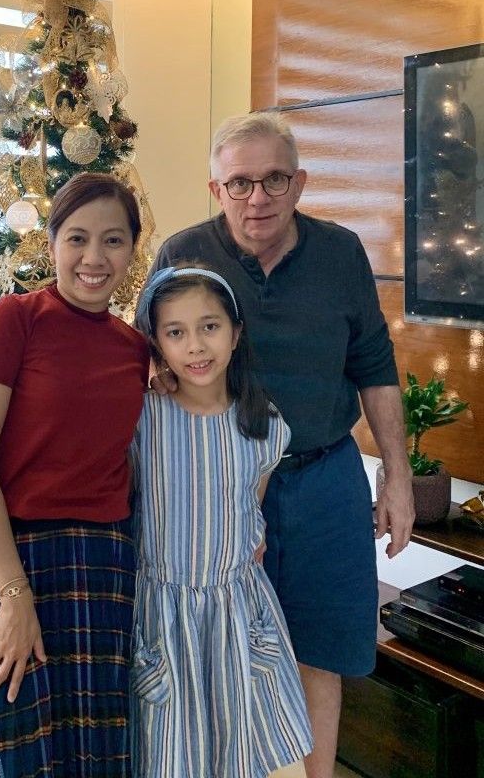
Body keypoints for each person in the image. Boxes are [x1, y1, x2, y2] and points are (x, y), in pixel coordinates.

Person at [146, 112, 415, 778]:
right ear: (216, 189)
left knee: (319, 653)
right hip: (218, 488)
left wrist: (400, 479)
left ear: (299, 183)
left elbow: (375, 366)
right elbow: (147, 373)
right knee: (223, 649)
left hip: (324, 480)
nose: (256, 198)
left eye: (272, 180)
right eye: (240, 183)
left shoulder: (341, 253)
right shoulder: (182, 255)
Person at [0, 173, 150, 777]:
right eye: (77, 238)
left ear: (133, 249)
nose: (93, 258)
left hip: (101, 571)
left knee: (96, 755)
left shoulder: (136, 348)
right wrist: (14, 597)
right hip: (7, 559)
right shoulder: (15, 321)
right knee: (7, 747)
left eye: (113, 241)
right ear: (51, 243)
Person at [130, 266, 313, 778]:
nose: (195, 346)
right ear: (157, 344)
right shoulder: (143, 420)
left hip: (241, 617)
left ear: (235, 332)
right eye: (176, 332)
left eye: (209, 327)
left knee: (265, 754)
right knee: (176, 756)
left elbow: (249, 510)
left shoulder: (265, 427)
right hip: (165, 623)